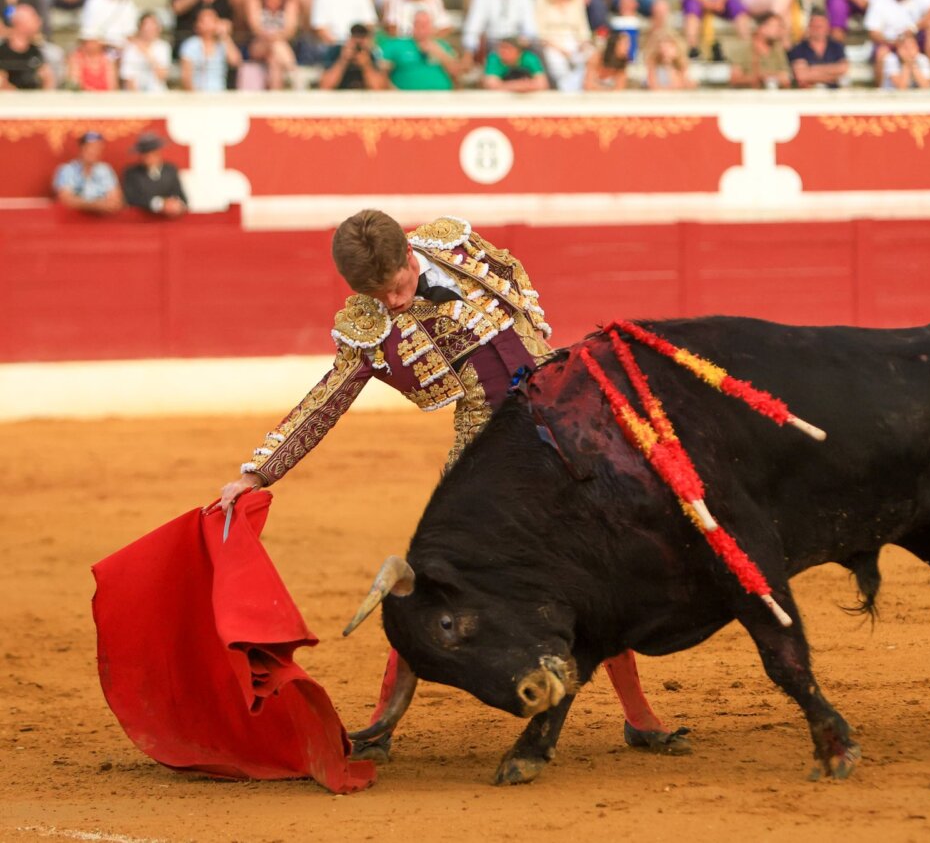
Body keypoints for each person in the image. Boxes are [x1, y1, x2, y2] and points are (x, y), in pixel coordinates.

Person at [214, 209, 683, 762]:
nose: (391, 303)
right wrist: (258, 470)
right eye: (377, 295)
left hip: (560, 427)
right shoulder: (371, 322)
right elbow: (327, 398)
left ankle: (640, 718)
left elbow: (522, 298)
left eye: (396, 287)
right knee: (437, 581)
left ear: (410, 257)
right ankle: (381, 725)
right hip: (486, 457)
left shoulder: (457, 246)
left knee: (596, 571)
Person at [379, 9, 459, 90]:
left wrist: (439, 53)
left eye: (426, 24)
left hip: (442, 97)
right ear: (412, 25)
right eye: (418, 24)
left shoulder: (442, 45)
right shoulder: (396, 44)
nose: (422, 28)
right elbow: (381, 73)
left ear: (432, 26)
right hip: (407, 98)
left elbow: (457, 73)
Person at [53, 130, 123, 215]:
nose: (93, 151)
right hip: (73, 222)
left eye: (97, 148)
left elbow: (116, 200)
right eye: (90, 147)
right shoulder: (67, 170)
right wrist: (97, 205)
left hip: (102, 222)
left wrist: (83, 203)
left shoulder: (105, 170)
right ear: (81, 148)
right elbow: (66, 200)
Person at [122, 132, 187, 217]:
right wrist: (160, 204)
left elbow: (181, 196)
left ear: (158, 153)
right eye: (145, 154)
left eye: (153, 153)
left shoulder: (170, 170)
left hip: (169, 222)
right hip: (142, 222)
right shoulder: (131, 173)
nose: (149, 157)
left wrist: (176, 205)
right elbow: (131, 198)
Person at [536, 0, 592, 91]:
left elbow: (583, 30)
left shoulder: (577, 2)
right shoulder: (542, 2)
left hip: (575, 42)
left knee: (589, 55)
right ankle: (564, 92)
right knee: (557, 63)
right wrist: (562, 50)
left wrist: (582, 44)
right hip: (552, 43)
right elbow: (541, 34)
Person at [180, 7, 241, 90]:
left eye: (212, 20)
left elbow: (235, 62)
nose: (208, 24)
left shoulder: (222, 43)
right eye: (204, 21)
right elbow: (186, 76)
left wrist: (225, 36)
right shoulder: (191, 45)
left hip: (219, 94)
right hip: (197, 94)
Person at [244, 0, 298, 90]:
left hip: (279, 46)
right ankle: (291, 69)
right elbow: (256, 28)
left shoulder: (290, 3)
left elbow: (290, 31)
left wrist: (274, 37)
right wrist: (272, 38)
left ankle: (275, 94)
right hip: (259, 45)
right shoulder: (254, 1)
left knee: (274, 60)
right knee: (277, 47)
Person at [727, 12, 790, 88]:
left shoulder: (778, 50)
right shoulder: (743, 49)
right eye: (776, 26)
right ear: (761, 27)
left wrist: (766, 76)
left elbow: (786, 79)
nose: (779, 30)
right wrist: (755, 79)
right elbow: (734, 79)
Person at [460, 0, 537, 61]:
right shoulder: (482, 1)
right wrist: (469, 50)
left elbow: (530, 29)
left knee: (537, 50)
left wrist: (523, 41)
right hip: (494, 42)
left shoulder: (524, 0)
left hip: (516, 42)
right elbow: (473, 28)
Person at [0, 4, 55, 89]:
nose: (39, 22)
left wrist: (47, 82)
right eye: (34, 18)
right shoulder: (2, 52)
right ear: (21, 23)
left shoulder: (36, 52)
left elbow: (48, 83)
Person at [318, 21, 388, 88]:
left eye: (361, 36)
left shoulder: (370, 53)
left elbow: (377, 88)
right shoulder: (336, 52)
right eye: (355, 36)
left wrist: (366, 66)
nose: (358, 41)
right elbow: (325, 86)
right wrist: (343, 60)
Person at [788, 11, 848, 88]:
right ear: (809, 27)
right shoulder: (799, 48)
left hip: (833, 93)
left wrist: (812, 69)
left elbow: (843, 69)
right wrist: (833, 75)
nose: (817, 30)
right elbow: (801, 76)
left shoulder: (836, 46)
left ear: (827, 28)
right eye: (814, 26)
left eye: (820, 26)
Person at [119, 11, 172, 91]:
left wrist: (147, 54)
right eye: (146, 25)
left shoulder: (163, 47)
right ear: (140, 27)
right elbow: (128, 78)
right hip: (134, 95)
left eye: (153, 25)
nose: (149, 29)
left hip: (158, 95)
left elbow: (162, 76)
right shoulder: (130, 48)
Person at [681, 0, 751, 60]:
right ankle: (693, 50)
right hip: (697, 2)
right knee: (691, 14)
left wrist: (720, 2)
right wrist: (707, 3)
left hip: (720, 3)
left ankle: (747, 47)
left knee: (738, 10)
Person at [481, 35, 548, 90]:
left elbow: (542, 84)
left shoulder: (529, 58)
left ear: (518, 51)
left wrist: (504, 85)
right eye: (501, 48)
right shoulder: (494, 58)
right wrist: (521, 85)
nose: (503, 51)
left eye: (508, 48)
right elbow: (491, 85)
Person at [310, 0, 377, 47]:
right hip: (334, 47)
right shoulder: (321, 0)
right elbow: (320, 28)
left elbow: (369, 24)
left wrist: (359, 41)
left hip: (360, 45)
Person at [380, 0, 452, 37]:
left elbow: (445, 28)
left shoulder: (435, 1)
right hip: (403, 44)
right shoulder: (395, 1)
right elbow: (391, 28)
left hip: (429, 43)